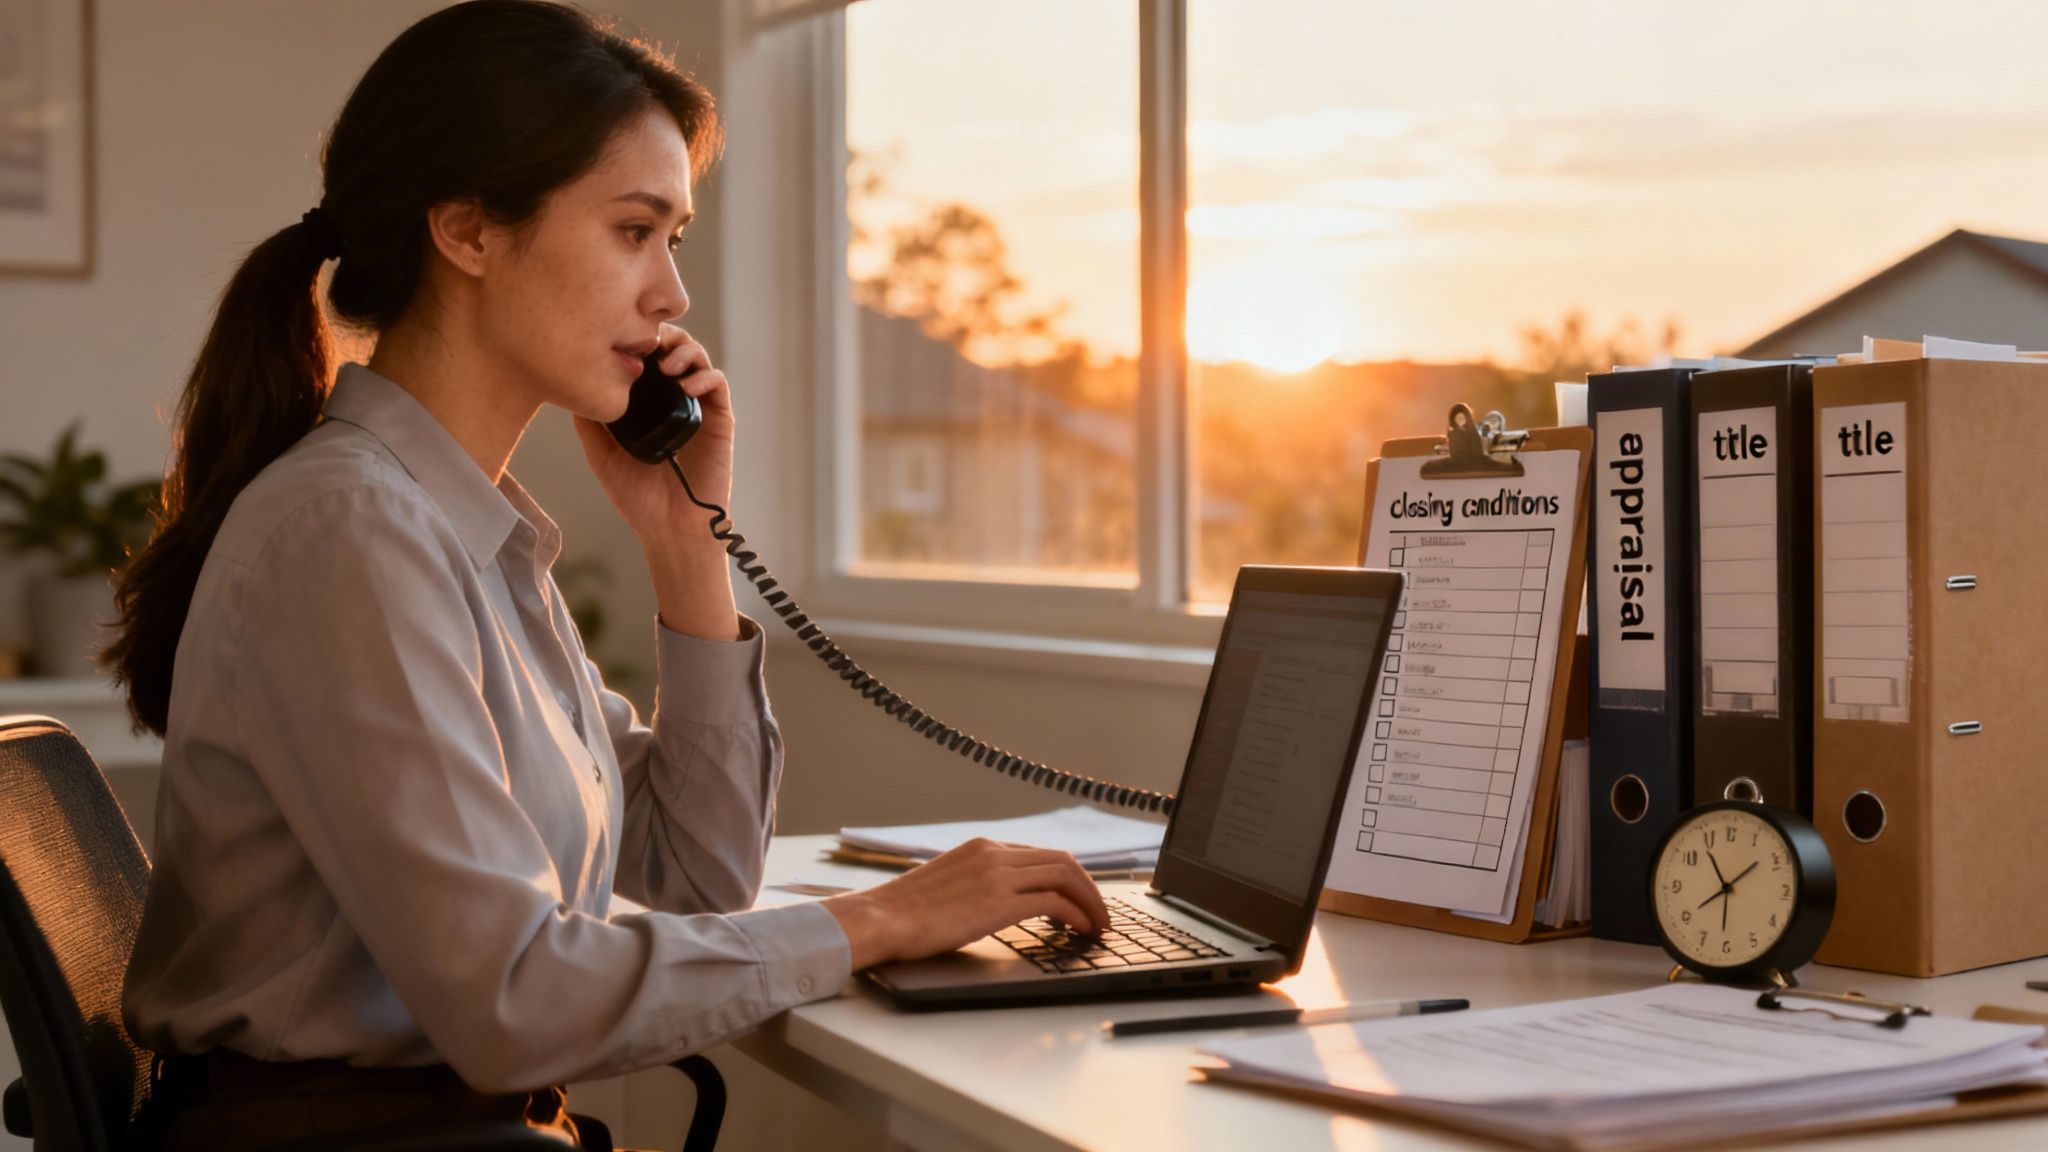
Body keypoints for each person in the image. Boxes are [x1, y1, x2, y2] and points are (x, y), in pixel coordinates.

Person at [104, 3, 1108, 1148]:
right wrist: (881, 918)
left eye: (672, 237)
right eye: (636, 230)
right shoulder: (349, 532)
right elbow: (515, 1002)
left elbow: (693, 877)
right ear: (468, 229)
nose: (673, 293)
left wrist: (686, 545)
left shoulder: (463, 536)